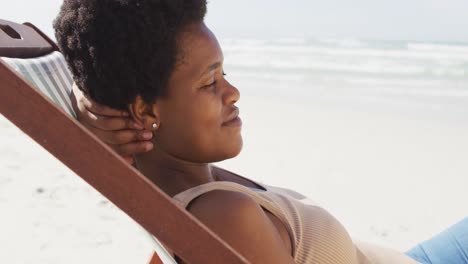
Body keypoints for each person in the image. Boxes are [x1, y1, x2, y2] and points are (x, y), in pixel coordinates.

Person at [54, 0, 467, 263]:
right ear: (144, 109)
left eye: (225, 73)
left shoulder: (188, 189)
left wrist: (83, 96)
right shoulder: (222, 216)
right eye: (209, 81)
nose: (232, 92)